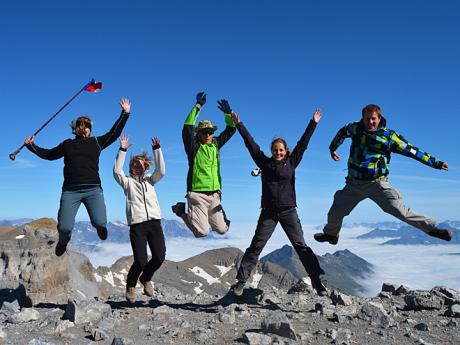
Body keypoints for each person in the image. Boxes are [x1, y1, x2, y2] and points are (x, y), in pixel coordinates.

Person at [314, 104, 452, 245]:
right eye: (367, 119)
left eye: (373, 119)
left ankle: (432, 229)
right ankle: (331, 235)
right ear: (363, 118)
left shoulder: (389, 136)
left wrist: (436, 163)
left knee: (400, 211)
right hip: (353, 184)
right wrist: (333, 148)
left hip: (378, 184)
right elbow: (342, 132)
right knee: (335, 211)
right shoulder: (355, 128)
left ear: (379, 118)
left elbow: (413, 151)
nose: (370, 122)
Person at [229, 109, 327, 297]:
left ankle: (317, 281)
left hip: (289, 211)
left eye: (281, 150)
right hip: (268, 213)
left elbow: (303, 143)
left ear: (286, 151)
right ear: (272, 151)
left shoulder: (292, 161)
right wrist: (239, 124)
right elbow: (251, 144)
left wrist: (313, 123)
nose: (278, 153)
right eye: (275, 150)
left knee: (301, 246)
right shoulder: (264, 163)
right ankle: (241, 282)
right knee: (256, 245)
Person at [24, 98, 131, 256]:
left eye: (87, 126)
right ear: (75, 129)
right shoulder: (67, 144)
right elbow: (49, 155)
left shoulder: (97, 142)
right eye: (81, 125)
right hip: (70, 192)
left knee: (100, 222)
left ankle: (101, 228)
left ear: (90, 129)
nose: (84, 128)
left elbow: (114, 133)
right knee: (64, 227)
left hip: (93, 190)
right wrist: (31, 146)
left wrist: (125, 113)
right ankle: (63, 241)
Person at [171, 92, 236, 237]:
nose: (207, 135)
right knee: (201, 232)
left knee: (222, 229)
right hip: (196, 194)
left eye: (210, 132)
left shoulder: (216, 145)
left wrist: (228, 113)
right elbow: (187, 127)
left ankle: (219, 215)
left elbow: (231, 129)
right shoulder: (193, 147)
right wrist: (198, 106)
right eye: (204, 132)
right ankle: (181, 211)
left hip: (214, 194)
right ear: (198, 133)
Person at [113, 134, 166, 303]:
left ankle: (146, 278)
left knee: (159, 257)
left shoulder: (151, 181)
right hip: (137, 226)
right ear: (131, 168)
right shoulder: (127, 183)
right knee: (141, 260)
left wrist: (157, 150)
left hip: (154, 223)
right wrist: (122, 150)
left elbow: (161, 171)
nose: (137, 167)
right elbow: (116, 171)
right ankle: (131, 284)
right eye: (134, 165)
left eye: (141, 165)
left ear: (145, 167)